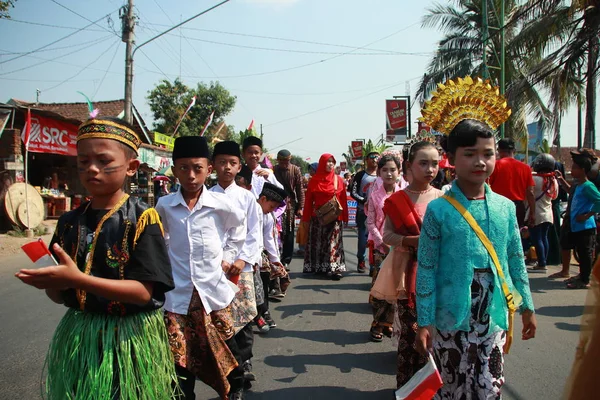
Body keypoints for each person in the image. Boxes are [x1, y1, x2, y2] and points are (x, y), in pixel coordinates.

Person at [16, 116, 178, 399]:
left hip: (128, 339)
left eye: (103, 161)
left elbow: (143, 293)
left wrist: (78, 279)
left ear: (131, 167)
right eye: (82, 162)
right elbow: (58, 296)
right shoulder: (68, 221)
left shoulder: (142, 219)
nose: (91, 169)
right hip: (81, 337)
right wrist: (52, 282)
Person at [416, 77, 536, 399]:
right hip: (449, 313)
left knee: (488, 386)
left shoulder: (505, 208)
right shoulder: (438, 211)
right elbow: (426, 267)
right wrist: (424, 321)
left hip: (493, 312)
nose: (480, 161)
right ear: (451, 158)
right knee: (452, 387)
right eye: (470, 153)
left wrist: (527, 305)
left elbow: (515, 259)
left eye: (488, 153)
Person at [156, 136, 247, 400]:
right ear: (174, 170)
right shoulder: (164, 206)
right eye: (183, 168)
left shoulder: (221, 205)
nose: (191, 175)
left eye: (197, 168)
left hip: (213, 290)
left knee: (226, 345)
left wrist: (228, 256)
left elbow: (238, 231)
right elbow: (160, 239)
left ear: (209, 169)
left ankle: (235, 386)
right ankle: (183, 395)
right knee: (178, 352)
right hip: (178, 292)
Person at [370, 141, 442, 387]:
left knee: (437, 333)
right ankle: (408, 385)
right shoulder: (397, 200)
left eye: (434, 163)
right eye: (423, 163)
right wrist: (414, 241)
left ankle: (431, 386)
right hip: (406, 272)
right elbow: (388, 235)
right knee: (411, 332)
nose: (430, 169)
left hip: (438, 275)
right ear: (409, 166)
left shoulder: (443, 199)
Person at [209, 141, 262, 388]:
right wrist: (218, 261)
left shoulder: (247, 197)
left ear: (239, 166)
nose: (227, 168)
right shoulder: (206, 196)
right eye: (222, 162)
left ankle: (245, 361)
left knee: (244, 317)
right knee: (220, 317)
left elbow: (254, 232)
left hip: (242, 267)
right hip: (214, 268)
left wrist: (242, 260)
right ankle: (227, 366)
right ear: (213, 166)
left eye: (232, 163)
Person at [365, 154, 402, 342]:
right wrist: (382, 242)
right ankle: (377, 324)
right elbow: (370, 223)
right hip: (381, 248)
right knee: (379, 287)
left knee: (396, 287)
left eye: (393, 170)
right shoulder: (374, 195)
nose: (389, 173)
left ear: (399, 171)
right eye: (385, 170)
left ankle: (389, 323)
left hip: (402, 247)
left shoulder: (405, 193)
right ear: (379, 172)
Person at [555, 149, 600, 289]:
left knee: (586, 254)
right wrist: (561, 180)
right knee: (581, 252)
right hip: (577, 226)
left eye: (574, 167)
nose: (572, 170)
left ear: (582, 170)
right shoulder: (578, 185)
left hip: (586, 227)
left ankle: (585, 280)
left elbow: (599, 200)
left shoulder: (588, 186)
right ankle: (582, 276)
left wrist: (587, 215)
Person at [301, 153, 349, 280]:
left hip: (335, 218)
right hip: (317, 218)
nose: (330, 164)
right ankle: (320, 267)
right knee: (319, 243)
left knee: (334, 243)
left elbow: (343, 199)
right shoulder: (314, 181)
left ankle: (335, 269)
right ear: (322, 163)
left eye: (332, 162)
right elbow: (308, 201)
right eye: (328, 161)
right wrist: (305, 219)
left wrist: (345, 217)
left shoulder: (338, 180)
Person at [489, 138, 536, 228]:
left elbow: (486, 187)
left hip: (498, 207)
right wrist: (533, 213)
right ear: (514, 151)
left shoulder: (494, 166)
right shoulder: (525, 168)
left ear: (499, 150)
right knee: (516, 236)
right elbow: (530, 193)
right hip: (518, 208)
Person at [273, 149, 305, 269]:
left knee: (289, 233)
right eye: (281, 161)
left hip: (289, 206)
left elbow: (300, 189)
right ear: (278, 160)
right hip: (275, 205)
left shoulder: (295, 170)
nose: (284, 163)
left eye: (286, 161)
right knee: (275, 232)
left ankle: (286, 259)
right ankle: (275, 257)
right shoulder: (274, 170)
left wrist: (300, 207)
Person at [526, 154, 559, 272]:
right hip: (548, 212)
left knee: (536, 238)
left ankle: (541, 263)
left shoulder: (535, 179)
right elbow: (554, 197)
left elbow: (529, 194)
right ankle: (543, 261)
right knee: (544, 237)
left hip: (536, 212)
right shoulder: (553, 180)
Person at [350, 151, 380, 273]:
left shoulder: (382, 174)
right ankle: (361, 260)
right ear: (366, 160)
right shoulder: (360, 175)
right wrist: (364, 200)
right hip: (363, 211)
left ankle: (374, 264)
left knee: (377, 239)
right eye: (372, 157)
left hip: (379, 213)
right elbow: (353, 192)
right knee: (363, 237)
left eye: (377, 157)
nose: (374, 160)